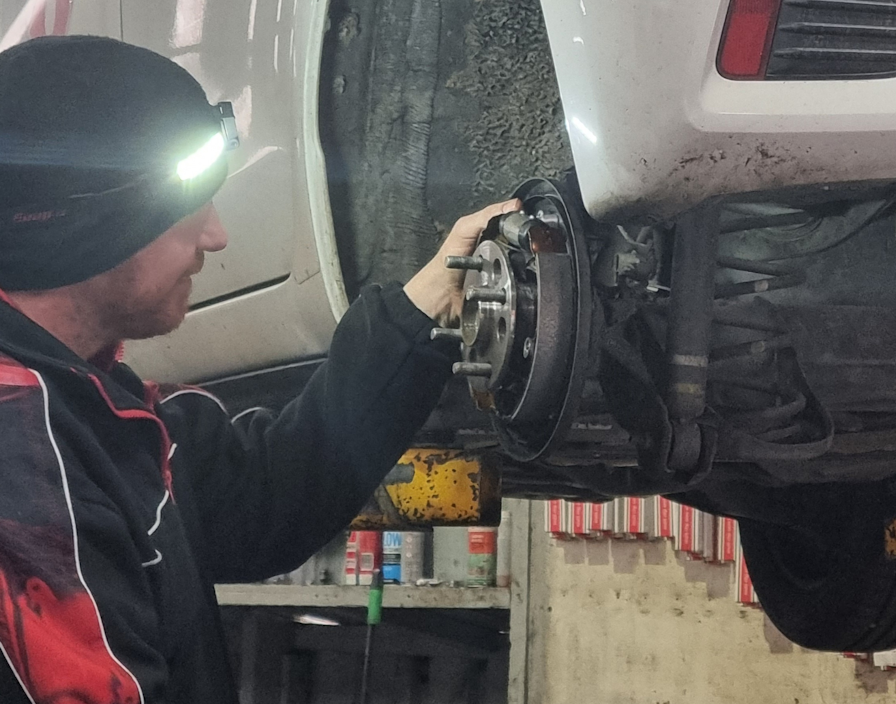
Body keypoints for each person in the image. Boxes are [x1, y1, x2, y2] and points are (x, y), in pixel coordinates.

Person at [0, 35, 517, 704]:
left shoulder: (93, 407)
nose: (215, 236)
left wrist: (419, 309)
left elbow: (260, 500)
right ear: (85, 224)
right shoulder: (21, 468)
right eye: (185, 206)